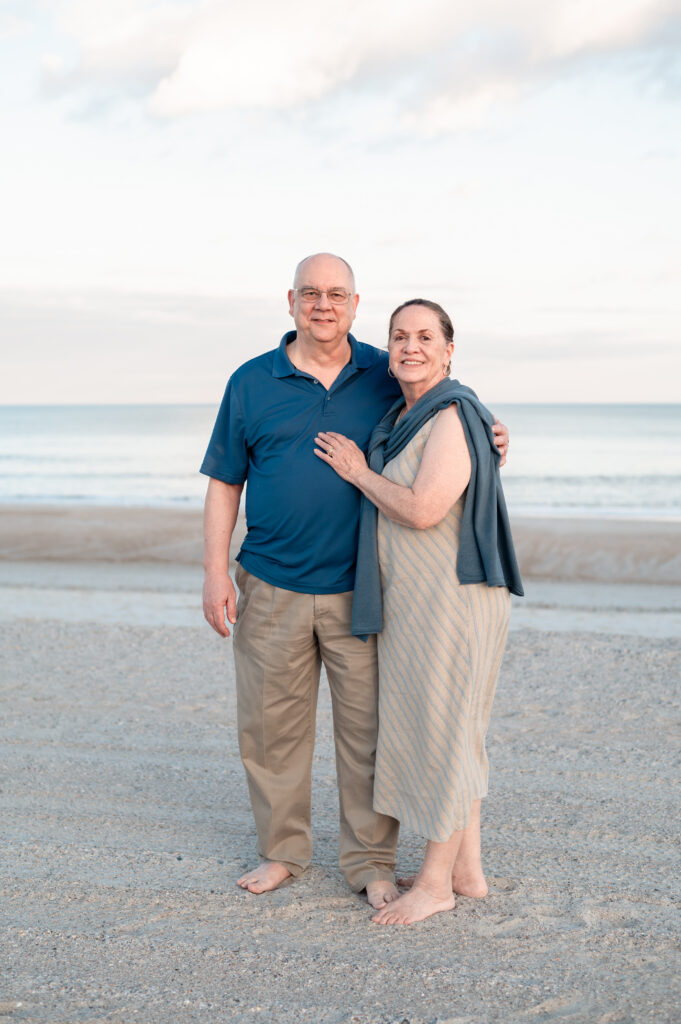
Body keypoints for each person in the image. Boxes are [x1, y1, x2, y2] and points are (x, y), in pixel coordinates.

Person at [201, 257, 510, 909]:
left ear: (354, 303)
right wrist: (212, 572)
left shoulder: (382, 369)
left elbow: (445, 410)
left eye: (335, 294)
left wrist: (493, 437)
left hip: (362, 592)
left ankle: (370, 863)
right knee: (270, 730)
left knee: (368, 736)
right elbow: (225, 480)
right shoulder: (251, 381)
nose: (322, 305)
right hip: (269, 581)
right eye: (310, 294)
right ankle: (282, 852)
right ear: (289, 301)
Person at [314, 298, 523, 925]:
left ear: (449, 348)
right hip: (419, 602)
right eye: (399, 336)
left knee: (446, 732)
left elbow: (424, 509)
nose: (410, 347)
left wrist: (356, 471)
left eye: (425, 336)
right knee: (458, 730)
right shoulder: (406, 416)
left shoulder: (452, 414)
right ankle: (467, 870)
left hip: (453, 603)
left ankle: (435, 883)